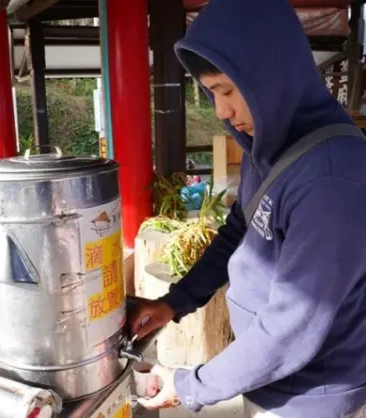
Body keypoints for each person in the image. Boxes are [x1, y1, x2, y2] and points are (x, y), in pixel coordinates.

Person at [129, 0, 366, 417]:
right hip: (267, 376)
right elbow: (239, 231)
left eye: (226, 90)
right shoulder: (269, 146)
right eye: (210, 92)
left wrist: (190, 386)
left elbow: (291, 329)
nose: (221, 110)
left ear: (272, 76)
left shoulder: (332, 178)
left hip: (310, 397)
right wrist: (175, 302)